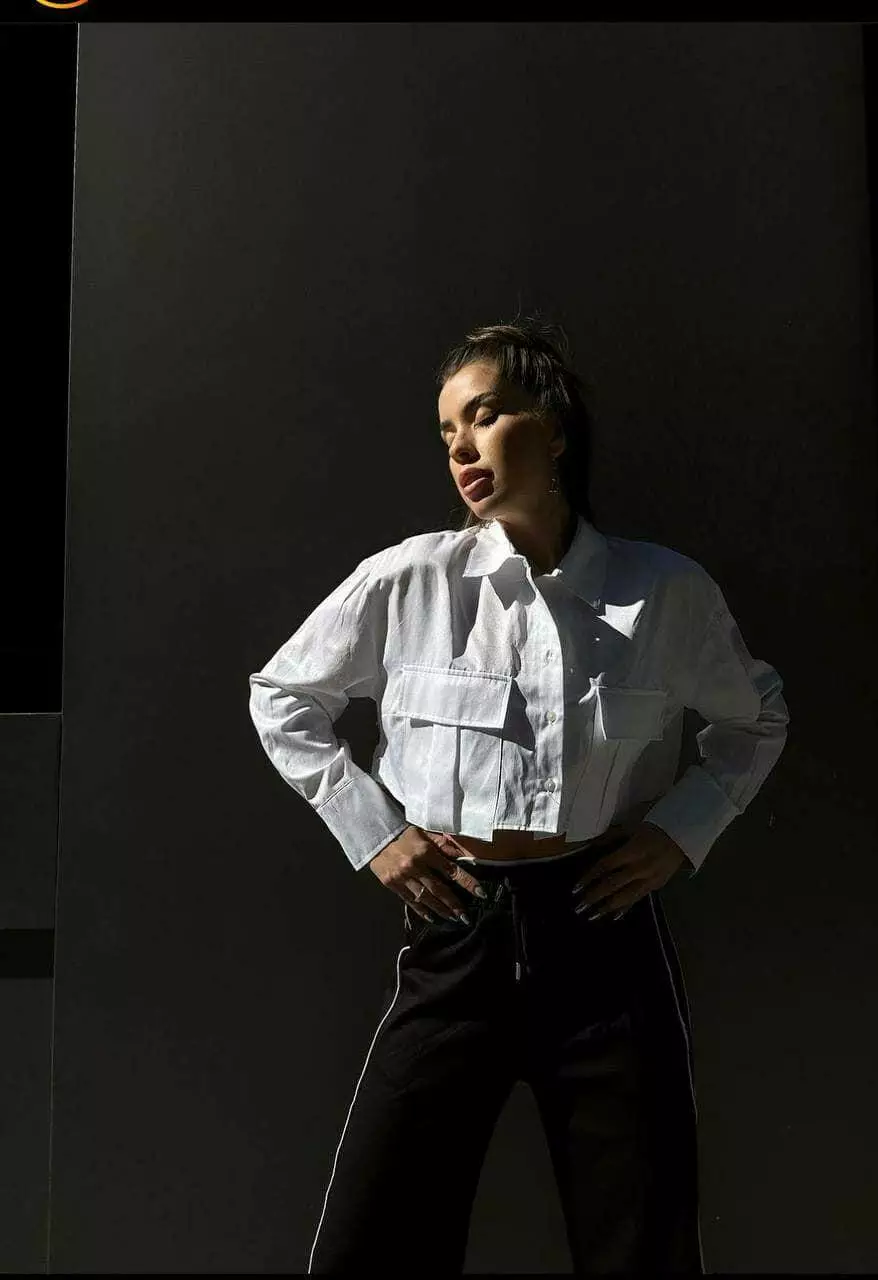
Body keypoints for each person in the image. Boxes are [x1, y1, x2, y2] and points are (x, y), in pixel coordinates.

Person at [247, 315, 790, 1275]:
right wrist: (375, 833)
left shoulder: (663, 593)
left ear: (556, 428)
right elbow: (282, 696)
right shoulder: (412, 580)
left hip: (603, 937)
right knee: (375, 1239)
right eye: (448, 431)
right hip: (459, 935)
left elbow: (757, 719)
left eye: (486, 415)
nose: (462, 447)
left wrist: (681, 831)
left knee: (641, 1242)